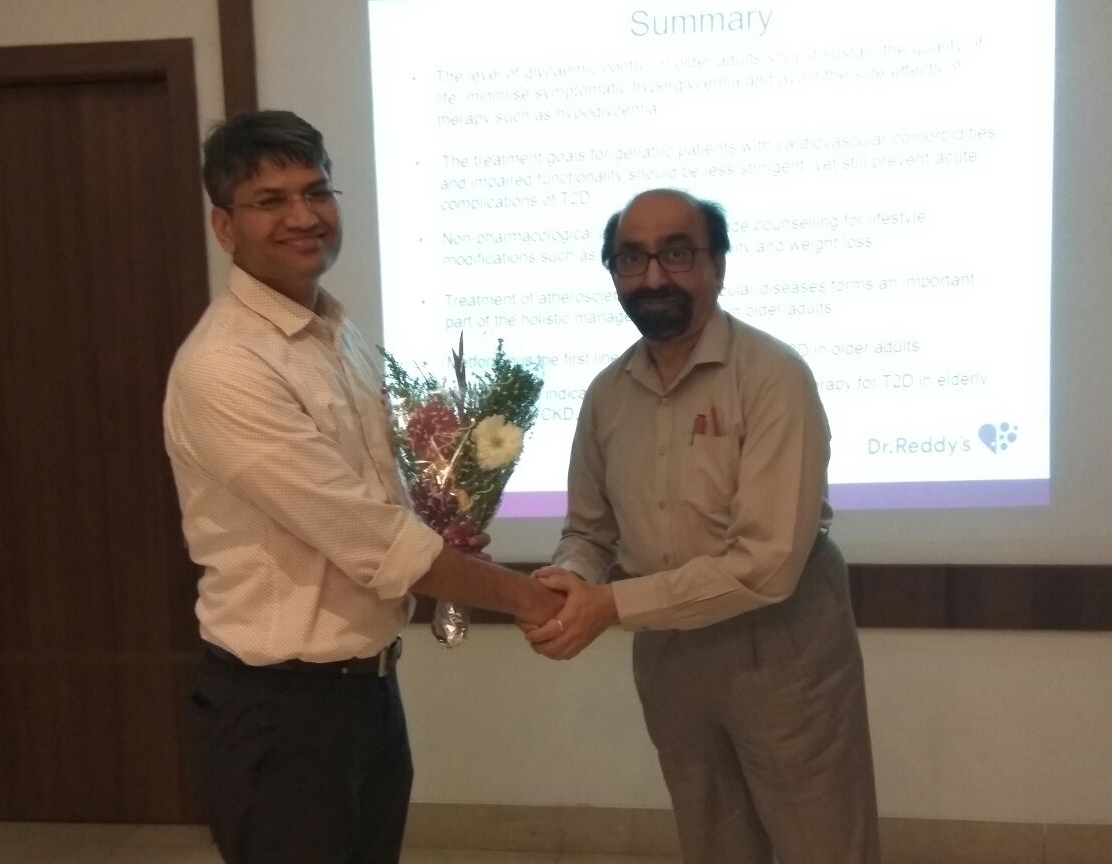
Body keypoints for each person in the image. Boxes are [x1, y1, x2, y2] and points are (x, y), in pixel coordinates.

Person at [163, 110, 562, 864]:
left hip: (366, 694)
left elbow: (384, 505)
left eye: (316, 192)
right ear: (224, 227)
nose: (303, 216)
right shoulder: (227, 366)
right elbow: (373, 540)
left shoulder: (336, 335)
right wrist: (531, 600)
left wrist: (447, 518)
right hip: (281, 713)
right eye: (271, 200)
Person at [523, 189, 880, 863]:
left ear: (717, 265)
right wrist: (567, 581)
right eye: (631, 258)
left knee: (823, 842)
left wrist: (610, 604)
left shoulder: (773, 377)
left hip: (781, 648)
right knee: (714, 841)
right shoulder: (606, 394)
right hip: (670, 656)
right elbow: (590, 532)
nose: (653, 276)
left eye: (677, 254)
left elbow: (769, 564)